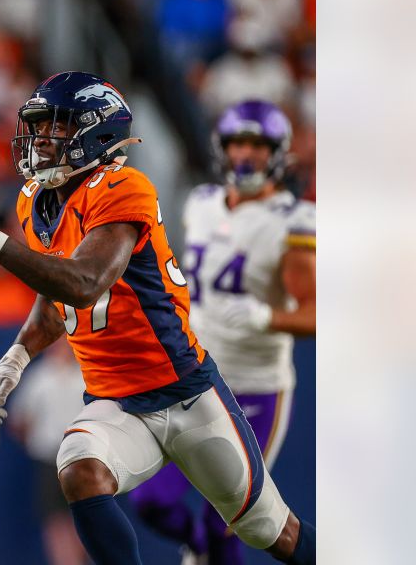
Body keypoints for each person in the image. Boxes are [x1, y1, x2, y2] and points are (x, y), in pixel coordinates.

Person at [0, 71, 315, 565]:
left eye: (56, 128)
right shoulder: (34, 200)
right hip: (115, 401)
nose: (41, 141)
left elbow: (85, 282)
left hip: (187, 395)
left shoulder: (122, 186)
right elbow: (56, 290)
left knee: (271, 533)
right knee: (78, 468)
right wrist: (17, 355)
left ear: (97, 132)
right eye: (39, 127)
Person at [129, 100, 315, 564]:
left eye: (256, 144)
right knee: (150, 500)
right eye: (236, 144)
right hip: (194, 376)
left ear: (276, 152)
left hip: (255, 387)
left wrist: (263, 316)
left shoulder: (292, 220)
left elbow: (317, 313)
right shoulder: (202, 203)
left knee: (231, 522)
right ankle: (201, 547)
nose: (245, 155)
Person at [10, 341, 87, 565]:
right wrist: (36, 442)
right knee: (54, 518)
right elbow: (20, 419)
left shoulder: (85, 376)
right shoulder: (40, 378)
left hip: (81, 458)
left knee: (83, 517)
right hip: (48, 458)